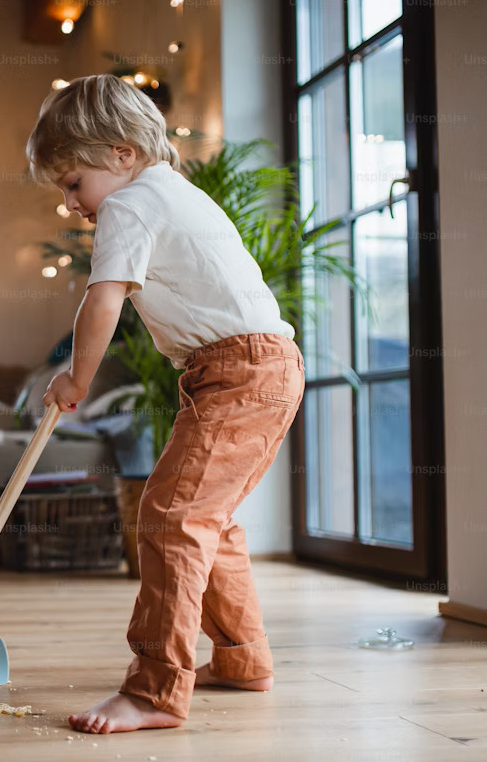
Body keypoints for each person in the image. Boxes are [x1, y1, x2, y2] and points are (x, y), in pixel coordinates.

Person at [30, 75, 305, 733]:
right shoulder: (167, 194)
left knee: (170, 516)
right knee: (210, 520)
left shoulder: (130, 205)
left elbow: (102, 300)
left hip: (238, 371)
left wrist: (75, 379)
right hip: (254, 369)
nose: (70, 203)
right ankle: (242, 658)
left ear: (121, 154)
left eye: (73, 183)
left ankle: (154, 687)